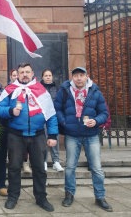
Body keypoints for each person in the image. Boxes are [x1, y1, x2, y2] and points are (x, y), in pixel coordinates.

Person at [0, 62, 58, 212]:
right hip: (16, 135)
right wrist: (11, 111)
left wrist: (52, 135)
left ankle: (41, 197)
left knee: (39, 169)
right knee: (14, 167)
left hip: (38, 136)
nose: (24, 74)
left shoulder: (41, 89)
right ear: (17, 74)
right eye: (22, 72)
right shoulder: (10, 90)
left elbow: (50, 114)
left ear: (32, 74)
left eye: (27, 72)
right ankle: (13, 196)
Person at [54, 67, 112, 212]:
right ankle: (69, 194)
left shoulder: (95, 92)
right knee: (70, 167)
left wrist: (97, 121)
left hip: (91, 135)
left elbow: (104, 112)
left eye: (81, 75)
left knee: (97, 168)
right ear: (72, 77)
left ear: (87, 77)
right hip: (72, 135)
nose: (78, 78)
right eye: (75, 76)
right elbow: (57, 110)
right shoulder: (64, 91)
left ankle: (100, 197)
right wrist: (64, 122)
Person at [40, 69, 64, 172]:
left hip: (53, 116)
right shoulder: (39, 88)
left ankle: (56, 161)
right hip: (43, 116)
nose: (48, 77)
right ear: (42, 77)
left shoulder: (57, 88)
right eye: (46, 75)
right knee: (43, 139)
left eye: (50, 75)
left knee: (55, 138)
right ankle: (44, 161)